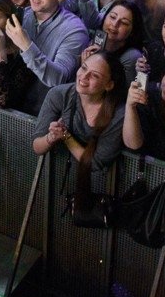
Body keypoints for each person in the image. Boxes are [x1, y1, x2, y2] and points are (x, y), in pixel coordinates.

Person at [31, 52, 127, 195]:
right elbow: (37, 146)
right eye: (83, 68)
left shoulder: (119, 113)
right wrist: (51, 137)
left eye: (94, 75)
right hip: (56, 180)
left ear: (109, 85)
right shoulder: (59, 94)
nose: (84, 77)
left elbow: (95, 163)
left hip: (104, 188)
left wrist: (66, 137)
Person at [4, 0, 90, 114]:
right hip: (12, 105)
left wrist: (27, 46)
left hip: (44, 114)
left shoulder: (75, 31)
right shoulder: (25, 14)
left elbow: (58, 79)